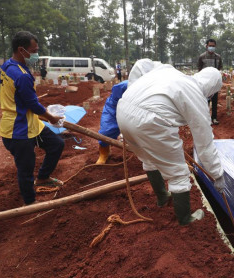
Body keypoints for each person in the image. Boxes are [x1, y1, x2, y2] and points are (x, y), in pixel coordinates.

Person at [116, 66, 226, 225]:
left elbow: (141, 65)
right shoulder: (196, 94)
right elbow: (205, 144)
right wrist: (217, 174)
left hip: (123, 111)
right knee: (178, 172)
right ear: (212, 89)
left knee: (149, 159)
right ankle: (185, 219)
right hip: (150, 121)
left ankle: (162, 197)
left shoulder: (172, 73)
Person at [0, 31, 65, 205]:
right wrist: (52, 118)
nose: (36, 54)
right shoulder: (22, 75)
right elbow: (33, 106)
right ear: (22, 50)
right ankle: (30, 203)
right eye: (34, 50)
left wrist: (15, 99)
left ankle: (43, 178)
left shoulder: (6, 67)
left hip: (31, 123)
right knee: (26, 169)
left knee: (56, 144)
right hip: (18, 130)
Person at [95, 58, 160, 165]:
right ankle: (104, 153)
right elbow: (116, 101)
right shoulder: (124, 86)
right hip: (114, 108)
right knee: (107, 130)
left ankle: (154, 154)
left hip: (140, 110)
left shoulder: (154, 89)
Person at [197, 38, 223, 125]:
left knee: (215, 101)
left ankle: (214, 118)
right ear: (206, 46)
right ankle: (206, 118)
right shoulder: (202, 57)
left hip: (214, 83)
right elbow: (199, 70)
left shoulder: (218, 57)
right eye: (210, 46)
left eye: (213, 46)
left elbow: (219, 68)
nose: (211, 47)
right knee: (205, 101)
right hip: (205, 84)